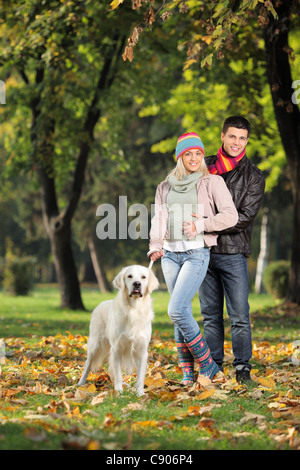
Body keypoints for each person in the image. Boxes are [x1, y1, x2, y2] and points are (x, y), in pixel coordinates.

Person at [148, 132, 238, 384]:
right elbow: (159, 220)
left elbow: (231, 216)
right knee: (182, 312)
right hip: (169, 255)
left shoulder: (212, 182)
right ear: (180, 157)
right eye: (189, 154)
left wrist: (202, 226)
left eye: (199, 153)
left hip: (196, 253)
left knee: (175, 309)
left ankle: (207, 365)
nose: (195, 158)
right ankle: (188, 374)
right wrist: (155, 245)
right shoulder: (164, 187)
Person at [199, 116, 265, 384]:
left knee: (239, 316)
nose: (237, 142)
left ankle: (242, 368)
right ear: (223, 136)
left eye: (242, 138)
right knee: (210, 316)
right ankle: (213, 366)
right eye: (233, 136)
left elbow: (244, 217)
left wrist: (203, 225)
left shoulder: (254, 176)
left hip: (234, 253)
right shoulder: (203, 166)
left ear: (246, 141)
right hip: (202, 252)